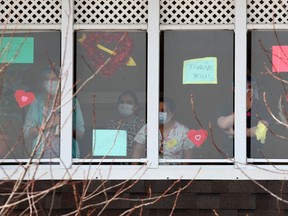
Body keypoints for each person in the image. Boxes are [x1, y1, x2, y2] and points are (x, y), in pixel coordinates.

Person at [23, 65, 85, 159]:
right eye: (47, 79)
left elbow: (81, 133)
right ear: (42, 82)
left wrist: (66, 129)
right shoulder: (37, 102)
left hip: (68, 157)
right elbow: (27, 132)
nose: (50, 82)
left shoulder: (72, 102)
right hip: (41, 156)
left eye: (54, 79)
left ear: (61, 82)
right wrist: (49, 124)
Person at [216, 77, 269, 158]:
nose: (248, 90)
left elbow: (262, 129)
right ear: (233, 89)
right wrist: (244, 108)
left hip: (254, 153)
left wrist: (237, 133)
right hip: (228, 153)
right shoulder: (226, 105)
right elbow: (223, 124)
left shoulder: (259, 106)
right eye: (245, 88)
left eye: (250, 87)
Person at [132, 97, 195, 161]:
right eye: (158, 110)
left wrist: (182, 170)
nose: (159, 113)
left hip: (174, 170)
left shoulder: (183, 131)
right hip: (150, 169)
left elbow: (188, 156)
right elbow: (137, 152)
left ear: (172, 113)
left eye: (163, 111)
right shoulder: (147, 128)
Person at [107, 91, 145, 158]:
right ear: (118, 106)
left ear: (136, 107)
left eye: (129, 102)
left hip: (133, 163)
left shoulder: (141, 124)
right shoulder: (112, 124)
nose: (124, 105)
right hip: (114, 163)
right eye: (121, 102)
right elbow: (107, 146)